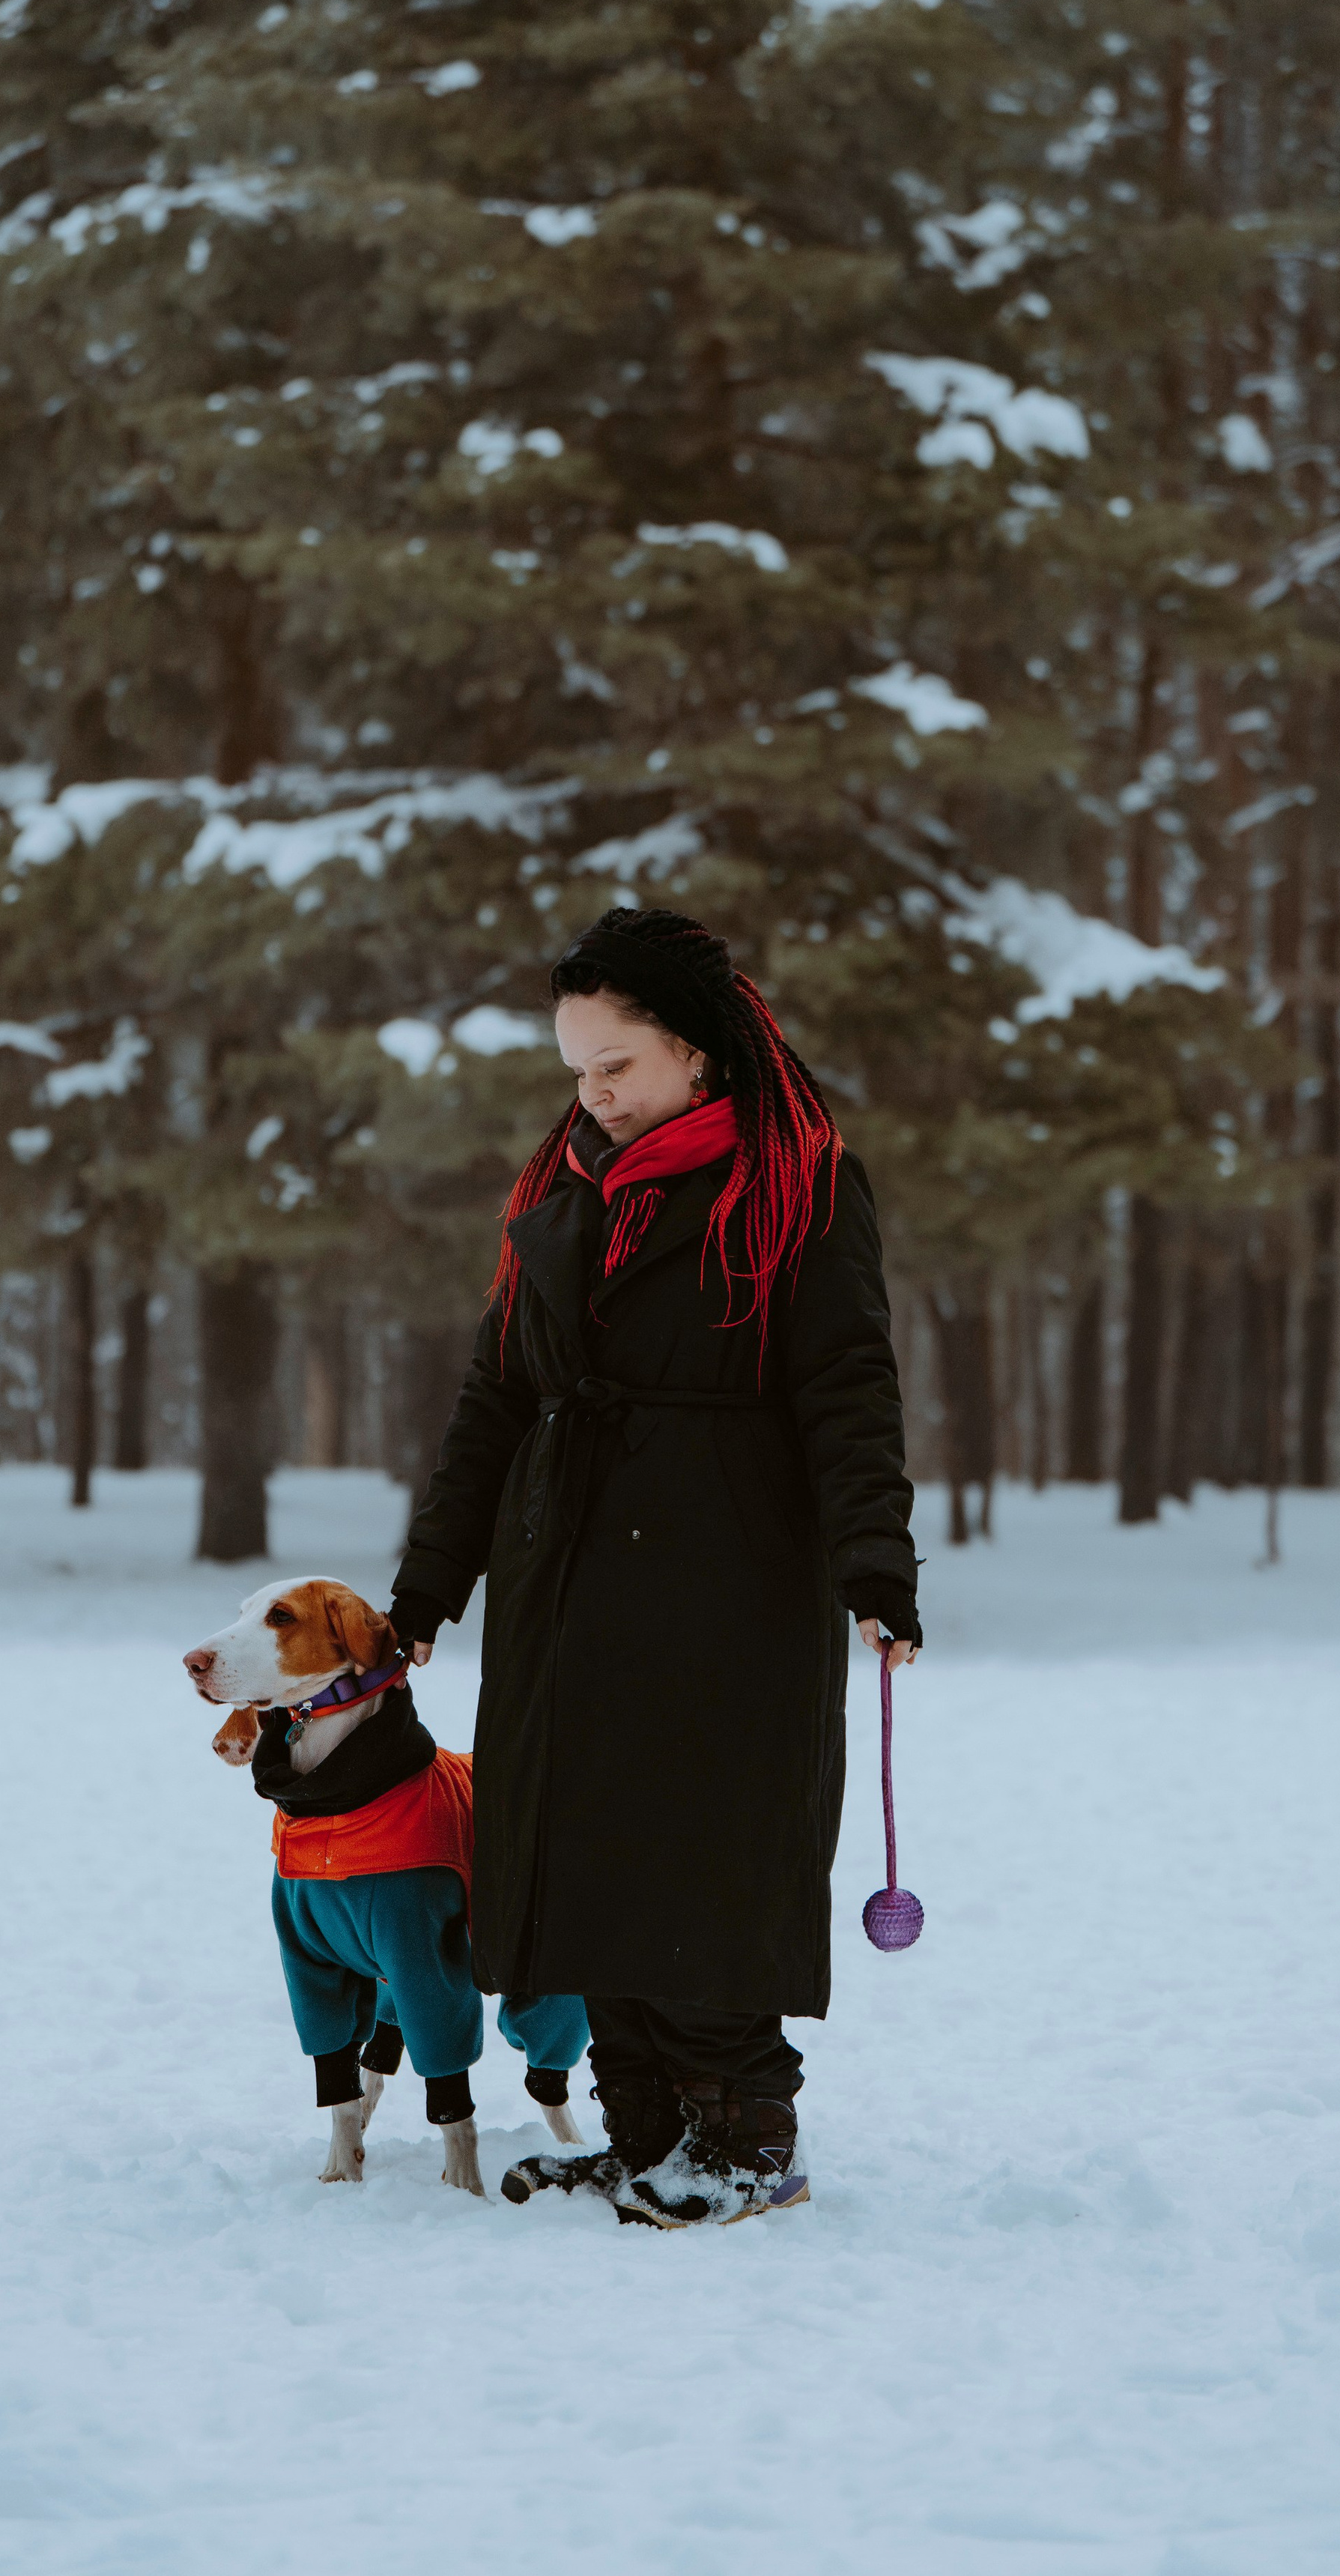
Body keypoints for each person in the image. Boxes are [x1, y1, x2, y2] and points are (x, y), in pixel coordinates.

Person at [388, 907, 921, 2225]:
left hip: (725, 1572)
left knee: (703, 1848)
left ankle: (743, 2139)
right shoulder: (558, 1187)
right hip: (563, 1569)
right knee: (580, 1848)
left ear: (697, 1049)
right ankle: (642, 2132)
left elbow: (847, 1384)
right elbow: (494, 1396)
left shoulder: (796, 1177)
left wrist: (876, 1565)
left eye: (615, 1064)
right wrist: (429, 1586)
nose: (593, 1093)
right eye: (576, 1067)